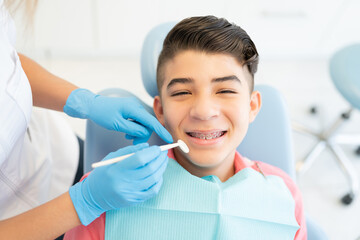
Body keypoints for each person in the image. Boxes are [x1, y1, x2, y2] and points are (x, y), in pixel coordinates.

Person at [64, 16, 307, 239]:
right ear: (160, 110)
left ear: (252, 106)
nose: (203, 111)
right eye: (182, 92)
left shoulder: (284, 194)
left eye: (225, 91)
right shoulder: (106, 193)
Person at [0, 1, 173, 239]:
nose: (204, 112)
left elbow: (8, 62)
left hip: (55, 155)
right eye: (183, 92)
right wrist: (84, 201)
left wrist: (83, 101)